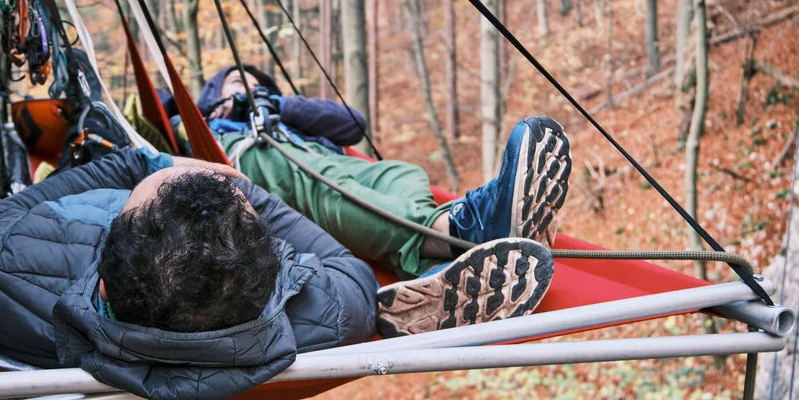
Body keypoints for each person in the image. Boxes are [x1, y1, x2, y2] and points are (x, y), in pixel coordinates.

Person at [158, 64, 572, 336]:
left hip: (324, 159)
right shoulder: (196, 124)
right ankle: (464, 229)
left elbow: (351, 124)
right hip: (251, 165)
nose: (248, 87)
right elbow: (152, 117)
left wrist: (278, 103)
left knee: (400, 173)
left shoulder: (286, 117)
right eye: (236, 81)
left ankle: (436, 271)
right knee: (320, 181)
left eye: (256, 83)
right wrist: (211, 111)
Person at [0, 148, 378, 400]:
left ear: (102, 282)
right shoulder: (326, 314)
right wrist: (240, 201)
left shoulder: (0, 271)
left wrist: (143, 163)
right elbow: (355, 271)